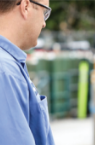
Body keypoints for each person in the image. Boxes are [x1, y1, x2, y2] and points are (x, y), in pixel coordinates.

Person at [0, 0, 55, 144]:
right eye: (44, 12)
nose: (44, 23)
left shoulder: (9, 64)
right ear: (25, 7)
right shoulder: (5, 71)